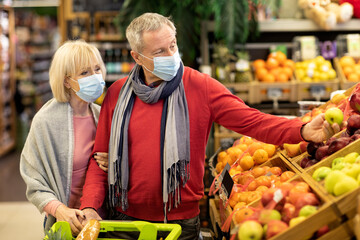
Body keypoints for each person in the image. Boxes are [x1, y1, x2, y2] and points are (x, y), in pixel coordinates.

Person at [79, 13, 341, 239]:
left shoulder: (200, 87)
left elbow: (252, 121)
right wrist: (90, 205)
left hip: (180, 224)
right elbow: (99, 159)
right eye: (159, 52)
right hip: (126, 221)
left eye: (172, 46)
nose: (171, 55)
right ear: (137, 57)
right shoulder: (117, 94)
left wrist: (302, 130)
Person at [19, 39, 109, 235]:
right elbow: (33, 179)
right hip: (66, 222)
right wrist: (59, 210)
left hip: (102, 219)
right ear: (67, 80)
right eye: (85, 72)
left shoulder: (102, 115)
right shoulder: (46, 121)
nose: (94, 77)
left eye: (96, 69)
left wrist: (115, 162)